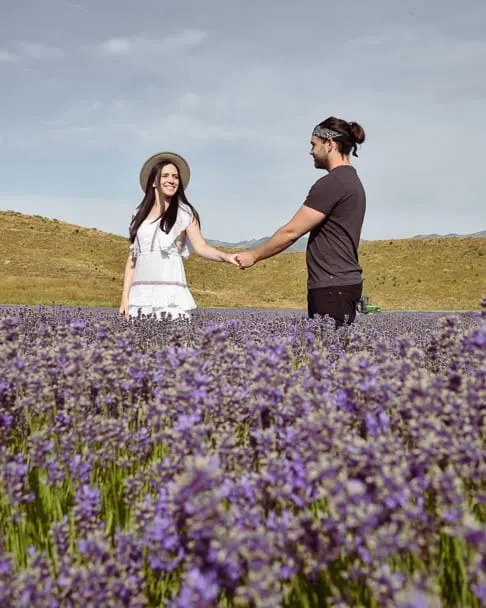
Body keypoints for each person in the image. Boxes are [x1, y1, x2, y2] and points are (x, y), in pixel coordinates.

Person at [236, 116, 366, 329]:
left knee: (326, 357)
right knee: (336, 355)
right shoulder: (351, 181)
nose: (311, 151)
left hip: (332, 287)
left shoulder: (333, 183)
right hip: (341, 284)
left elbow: (291, 232)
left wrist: (253, 255)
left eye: (314, 144)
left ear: (330, 144)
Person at [119, 151, 238, 320]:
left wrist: (227, 256)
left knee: (175, 344)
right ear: (154, 181)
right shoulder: (139, 214)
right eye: (165, 176)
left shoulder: (185, 213)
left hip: (171, 295)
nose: (171, 180)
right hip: (140, 295)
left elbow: (201, 247)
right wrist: (125, 298)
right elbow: (132, 259)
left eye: (175, 177)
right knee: (139, 345)